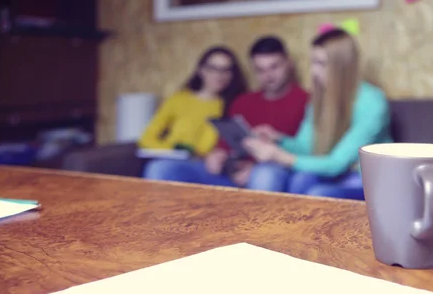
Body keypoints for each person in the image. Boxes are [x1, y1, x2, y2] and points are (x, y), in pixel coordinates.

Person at [242, 29, 393, 199]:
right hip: (335, 175)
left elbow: (337, 163)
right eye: (313, 62)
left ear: (340, 66)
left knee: (318, 193)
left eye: (321, 64)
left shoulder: (372, 102)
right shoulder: (321, 99)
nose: (313, 72)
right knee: (300, 180)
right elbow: (305, 148)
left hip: (367, 180)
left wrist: (280, 156)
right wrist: (278, 139)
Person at [143, 36, 308, 187]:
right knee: (161, 168)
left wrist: (255, 166)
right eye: (260, 70)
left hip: (272, 168)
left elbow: (306, 151)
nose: (268, 76)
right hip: (230, 172)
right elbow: (224, 144)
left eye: (274, 67)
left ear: (288, 63)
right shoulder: (243, 102)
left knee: (264, 175)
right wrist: (218, 156)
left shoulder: (306, 101)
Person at [138, 46, 247, 158]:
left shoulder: (235, 105)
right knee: (159, 167)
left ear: (232, 75)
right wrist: (173, 151)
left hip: (206, 165)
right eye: (213, 68)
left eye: (226, 70)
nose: (219, 75)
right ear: (201, 70)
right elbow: (147, 138)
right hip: (171, 157)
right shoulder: (178, 99)